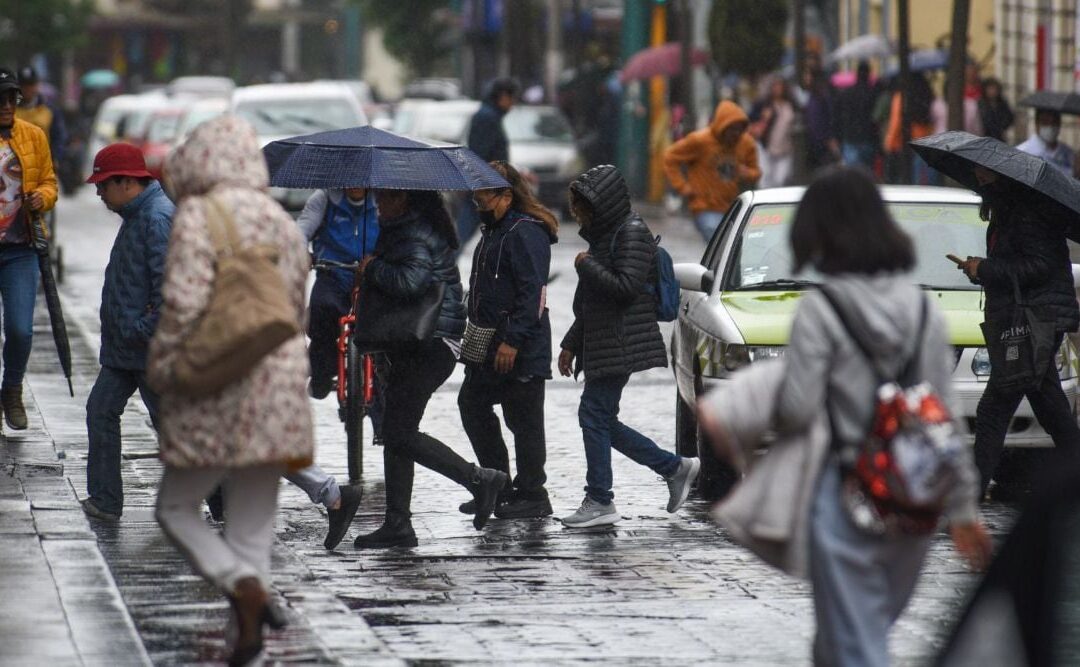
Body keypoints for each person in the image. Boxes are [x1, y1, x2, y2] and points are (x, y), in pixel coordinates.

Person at [740, 166, 990, 666]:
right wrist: (963, 508)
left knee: (856, 642)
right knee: (848, 635)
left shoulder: (820, 310)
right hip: (911, 500)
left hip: (843, 495)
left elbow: (796, 410)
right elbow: (945, 421)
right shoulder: (922, 312)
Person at [149, 115, 313, 665]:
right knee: (253, 523)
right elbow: (297, 304)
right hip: (280, 376)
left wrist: (167, 365)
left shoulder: (198, 214)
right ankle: (249, 628)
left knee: (177, 506)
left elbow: (183, 303)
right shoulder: (279, 219)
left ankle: (241, 587)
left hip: (220, 373)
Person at [353, 189, 508, 549]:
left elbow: (411, 282)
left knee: (399, 432)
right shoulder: (406, 229)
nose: (378, 205)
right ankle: (398, 523)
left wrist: (372, 267)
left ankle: (478, 479)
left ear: (404, 199)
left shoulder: (413, 232)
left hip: (429, 342)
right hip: (415, 343)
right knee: (396, 430)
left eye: (385, 199)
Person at [557, 164, 700, 528]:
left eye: (582, 207)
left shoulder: (631, 233)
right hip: (604, 340)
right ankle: (673, 467)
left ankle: (601, 499)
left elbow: (624, 288)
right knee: (601, 418)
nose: (578, 214)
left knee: (593, 415)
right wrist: (571, 344)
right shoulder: (603, 237)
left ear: (601, 203)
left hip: (620, 341)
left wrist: (587, 266)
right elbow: (592, 304)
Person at [955, 166, 1080, 496]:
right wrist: (980, 269)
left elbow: (1039, 266)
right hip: (1029, 320)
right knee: (1049, 406)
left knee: (993, 410)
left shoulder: (1025, 213)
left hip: (1036, 321)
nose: (979, 182)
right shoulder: (1007, 212)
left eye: (984, 176)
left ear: (1002, 179)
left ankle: (971, 493)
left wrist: (985, 268)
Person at [457, 162, 557, 520]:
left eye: (484, 195)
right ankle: (497, 481)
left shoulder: (525, 232)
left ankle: (533, 493)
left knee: (524, 420)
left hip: (520, 347)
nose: (478, 201)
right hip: (487, 342)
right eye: (477, 195)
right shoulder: (494, 230)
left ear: (506, 195)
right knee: (472, 404)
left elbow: (533, 294)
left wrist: (513, 341)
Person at [79, 143, 173, 521]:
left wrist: (141, 329)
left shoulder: (157, 218)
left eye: (104, 185)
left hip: (147, 347)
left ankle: (222, 497)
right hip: (126, 348)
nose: (99, 193)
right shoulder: (138, 215)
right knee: (101, 411)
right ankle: (105, 500)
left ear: (126, 182)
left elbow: (171, 290)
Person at [0, 68, 57, 431]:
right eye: (0, 99)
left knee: (20, 329)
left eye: (12, 98)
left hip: (21, 248)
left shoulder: (33, 136)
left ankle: (12, 388)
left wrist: (43, 197)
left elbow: (50, 182)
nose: (6, 106)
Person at [663, 100, 761, 241]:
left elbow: (756, 172)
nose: (736, 134)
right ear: (723, 126)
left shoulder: (746, 143)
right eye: (732, 129)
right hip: (705, 207)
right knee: (719, 241)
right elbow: (670, 157)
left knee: (733, 250)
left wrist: (747, 173)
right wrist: (683, 187)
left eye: (740, 129)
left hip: (734, 208)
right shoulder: (700, 141)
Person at [458, 78, 519, 249]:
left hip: (489, 184)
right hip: (486, 186)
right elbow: (481, 153)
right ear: (503, 96)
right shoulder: (487, 117)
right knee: (464, 233)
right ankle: (443, 268)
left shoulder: (490, 115)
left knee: (505, 229)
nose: (513, 104)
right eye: (512, 99)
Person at [884, 72, 939, 185]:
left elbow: (896, 122)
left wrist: (889, 143)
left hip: (905, 143)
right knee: (923, 180)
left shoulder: (901, 96)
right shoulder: (928, 95)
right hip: (926, 143)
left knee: (905, 179)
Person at [749, 77, 796, 188]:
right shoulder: (764, 105)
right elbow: (751, 121)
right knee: (766, 178)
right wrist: (762, 121)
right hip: (767, 147)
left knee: (781, 178)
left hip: (785, 147)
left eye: (780, 85)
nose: (777, 89)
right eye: (775, 86)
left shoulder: (790, 104)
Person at [832, 61, 879, 171]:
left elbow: (838, 115)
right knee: (867, 171)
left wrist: (837, 135)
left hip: (850, 137)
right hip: (868, 137)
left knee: (853, 173)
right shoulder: (873, 93)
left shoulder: (846, 93)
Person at [15, 66, 67, 164]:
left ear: (37, 85)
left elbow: (58, 137)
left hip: (42, 165)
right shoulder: (8, 110)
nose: (27, 89)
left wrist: (55, 159)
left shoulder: (50, 110)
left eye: (30, 84)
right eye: (23, 85)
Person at [1016, 108, 1075, 176]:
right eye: (1045, 122)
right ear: (1037, 124)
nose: (1051, 126)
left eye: (1054, 122)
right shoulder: (1022, 152)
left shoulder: (1068, 153)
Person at [978, 77, 1015, 142]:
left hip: (998, 137)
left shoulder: (1002, 104)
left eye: (994, 89)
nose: (992, 92)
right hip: (984, 136)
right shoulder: (981, 103)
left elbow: (1009, 117)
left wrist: (1002, 127)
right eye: (990, 89)